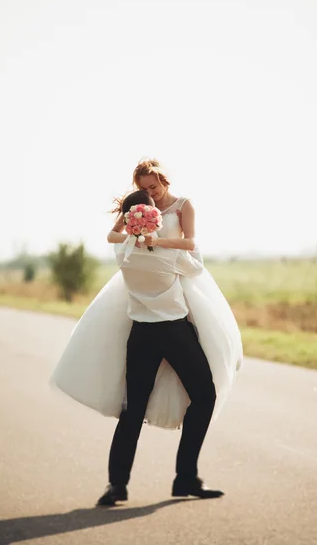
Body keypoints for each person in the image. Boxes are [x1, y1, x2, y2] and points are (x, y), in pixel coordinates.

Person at [50, 159, 242, 430]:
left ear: (164, 180)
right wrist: (137, 238)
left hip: (177, 273)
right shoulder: (139, 206)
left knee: (199, 341)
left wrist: (158, 242)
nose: (151, 193)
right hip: (145, 273)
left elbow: (190, 242)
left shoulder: (183, 205)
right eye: (145, 189)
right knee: (132, 342)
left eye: (154, 187)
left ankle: (186, 404)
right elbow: (111, 236)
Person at [97, 190, 223, 505]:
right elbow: (197, 267)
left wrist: (128, 224)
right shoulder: (171, 255)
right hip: (175, 332)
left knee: (132, 409)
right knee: (205, 396)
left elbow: (118, 236)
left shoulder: (122, 253)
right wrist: (169, 239)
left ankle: (116, 485)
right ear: (154, 216)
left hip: (140, 335)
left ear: (128, 220)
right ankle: (185, 478)